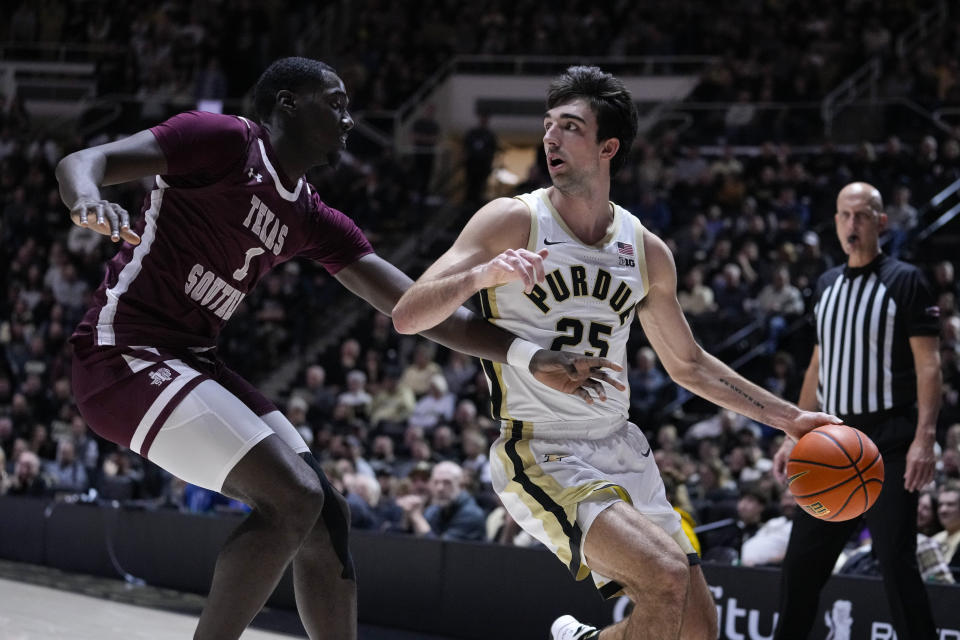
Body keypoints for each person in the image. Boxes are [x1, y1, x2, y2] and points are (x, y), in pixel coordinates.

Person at [57, 57, 624, 640]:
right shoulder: (224, 140)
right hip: (120, 355)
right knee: (293, 497)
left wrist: (533, 356)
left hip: (192, 359)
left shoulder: (308, 214)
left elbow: (420, 312)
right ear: (287, 103)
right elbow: (84, 161)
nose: (349, 120)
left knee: (327, 513)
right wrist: (85, 200)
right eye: (335, 102)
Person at [392, 65, 838, 640]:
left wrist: (791, 419)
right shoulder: (512, 219)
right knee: (666, 577)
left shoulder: (645, 249)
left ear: (608, 147)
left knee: (699, 631)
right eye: (548, 125)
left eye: (570, 127)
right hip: (543, 447)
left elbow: (689, 364)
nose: (550, 137)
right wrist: (484, 273)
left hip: (622, 447)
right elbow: (409, 313)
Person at [772, 182, 942, 640]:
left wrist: (925, 438)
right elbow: (817, 364)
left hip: (889, 442)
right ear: (835, 222)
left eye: (862, 215)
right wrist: (792, 433)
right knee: (801, 567)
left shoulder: (906, 280)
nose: (852, 224)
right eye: (845, 216)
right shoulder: (826, 284)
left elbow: (930, 366)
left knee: (896, 564)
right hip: (830, 442)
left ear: (881, 222)